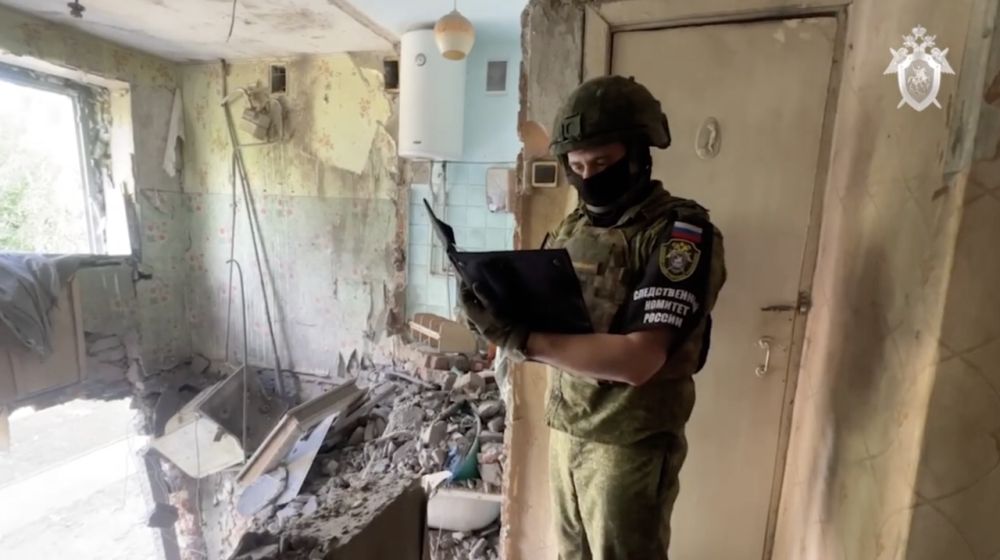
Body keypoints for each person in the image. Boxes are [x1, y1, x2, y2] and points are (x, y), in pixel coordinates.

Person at [459, 75, 727, 560]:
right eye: (578, 166)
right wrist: (495, 298)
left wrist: (523, 339)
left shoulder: (679, 233)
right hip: (569, 424)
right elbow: (555, 315)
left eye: (602, 163)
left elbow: (640, 359)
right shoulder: (574, 225)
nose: (589, 176)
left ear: (639, 154)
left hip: (629, 439)